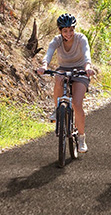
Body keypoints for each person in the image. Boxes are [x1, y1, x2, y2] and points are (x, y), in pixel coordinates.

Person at [37, 13, 96, 153]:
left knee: (76, 104)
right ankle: (57, 109)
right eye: (65, 31)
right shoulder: (57, 40)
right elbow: (49, 53)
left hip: (81, 70)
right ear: (60, 31)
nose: (68, 33)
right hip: (63, 69)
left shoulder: (81, 38)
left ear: (74, 29)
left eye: (71, 30)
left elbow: (87, 53)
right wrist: (44, 65)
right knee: (58, 77)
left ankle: (81, 137)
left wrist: (87, 67)